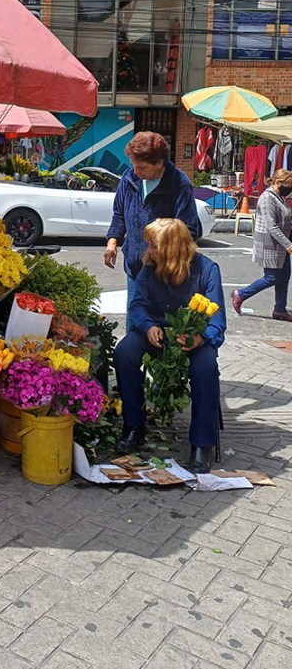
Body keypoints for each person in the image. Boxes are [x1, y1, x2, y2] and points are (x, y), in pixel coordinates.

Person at [113, 218, 225, 472]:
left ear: (173, 248)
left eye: (154, 245)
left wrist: (200, 338)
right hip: (156, 331)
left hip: (194, 337)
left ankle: (201, 443)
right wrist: (148, 326)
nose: (149, 250)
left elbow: (217, 321)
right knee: (124, 353)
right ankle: (134, 426)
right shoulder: (150, 268)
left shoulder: (207, 269)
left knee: (206, 368)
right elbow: (138, 305)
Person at [104, 131, 199, 309]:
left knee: (159, 329)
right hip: (134, 268)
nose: (135, 171)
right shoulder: (129, 178)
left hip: (163, 273)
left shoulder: (178, 183)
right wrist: (112, 241)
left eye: (141, 167)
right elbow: (119, 214)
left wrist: (160, 250)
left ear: (159, 163)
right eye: (134, 165)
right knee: (134, 324)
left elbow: (187, 231)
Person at [233, 169, 292, 322]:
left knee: (284, 276)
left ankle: (280, 309)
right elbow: (271, 225)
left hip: (281, 245)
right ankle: (242, 294)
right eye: (289, 185)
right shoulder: (267, 198)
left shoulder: (279, 196)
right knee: (272, 277)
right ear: (278, 183)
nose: (290, 189)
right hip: (270, 244)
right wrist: (288, 244)